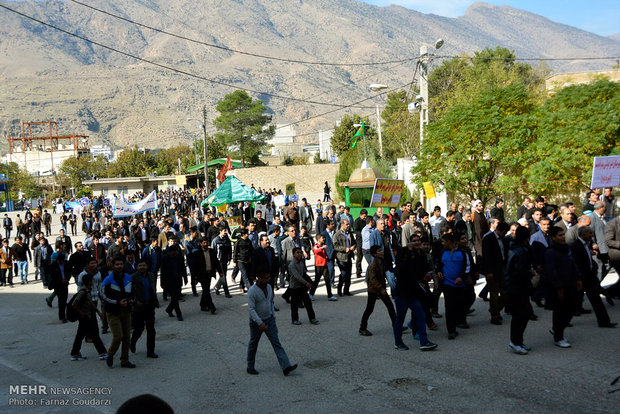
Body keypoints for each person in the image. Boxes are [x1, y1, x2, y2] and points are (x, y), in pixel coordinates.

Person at [246, 272, 298, 376]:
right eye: (265, 278)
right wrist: (260, 322)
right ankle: (250, 366)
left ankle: (286, 367)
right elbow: (251, 309)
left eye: (268, 278)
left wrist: (273, 316)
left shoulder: (269, 287)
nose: (267, 280)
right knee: (253, 344)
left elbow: (271, 302)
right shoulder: (252, 291)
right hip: (257, 323)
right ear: (259, 278)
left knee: (276, 343)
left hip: (269, 320)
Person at [392, 240, 438, 351]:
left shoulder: (414, 262)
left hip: (412, 295)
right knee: (400, 319)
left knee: (421, 315)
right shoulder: (401, 265)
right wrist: (408, 251)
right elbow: (403, 271)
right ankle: (398, 342)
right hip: (402, 296)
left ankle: (424, 341)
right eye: (411, 255)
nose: (413, 256)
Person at [569, 226, 616, 328]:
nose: (591, 235)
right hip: (581, 278)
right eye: (589, 233)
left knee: (597, 300)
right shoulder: (575, 246)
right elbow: (575, 263)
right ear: (583, 234)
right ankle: (561, 323)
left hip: (590, 277)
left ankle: (604, 322)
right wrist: (578, 278)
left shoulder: (586, 244)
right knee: (574, 301)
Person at [544, 226, 582, 348]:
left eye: (563, 234)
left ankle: (557, 329)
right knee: (559, 311)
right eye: (560, 235)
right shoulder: (550, 252)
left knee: (572, 308)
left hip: (570, 283)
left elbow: (573, 263)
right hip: (558, 286)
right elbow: (551, 271)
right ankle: (558, 337)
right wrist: (558, 287)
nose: (563, 237)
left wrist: (578, 278)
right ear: (553, 237)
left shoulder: (566, 249)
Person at [101, 256, 136, 367]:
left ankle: (124, 360)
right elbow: (103, 296)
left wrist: (130, 301)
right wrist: (117, 302)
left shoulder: (129, 278)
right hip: (113, 312)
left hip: (126, 311)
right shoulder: (108, 279)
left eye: (121, 264)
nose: (119, 266)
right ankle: (110, 354)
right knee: (118, 336)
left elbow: (133, 292)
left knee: (126, 337)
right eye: (117, 264)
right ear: (113, 265)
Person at [504, 226, 534, 355]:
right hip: (517, 287)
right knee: (520, 314)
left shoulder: (516, 248)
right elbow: (519, 270)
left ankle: (518, 340)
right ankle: (515, 341)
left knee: (524, 313)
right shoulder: (520, 251)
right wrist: (530, 272)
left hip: (517, 286)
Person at [359, 246, 396, 337]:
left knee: (390, 306)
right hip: (374, 289)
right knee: (369, 309)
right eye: (379, 251)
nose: (382, 252)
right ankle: (362, 328)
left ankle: (396, 325)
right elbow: (373, 280)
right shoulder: (373, 265)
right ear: (375, 254)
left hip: (380, 287)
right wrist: (382, 290)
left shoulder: (382, 261)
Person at [70, 273, 107, 361]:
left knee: (80, 335)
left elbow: (90, 303)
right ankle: (102, 353)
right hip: (86, 317)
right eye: (92, 280)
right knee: (94, 334)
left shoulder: (87, 291)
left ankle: (75, 353)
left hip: (87, 316)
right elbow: (74, 304)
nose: (93, 282)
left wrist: (98, 312)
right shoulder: (83, 292)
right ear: (89, 282)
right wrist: (81, 313)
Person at [436, 233, 467, 340]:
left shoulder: (462, 252)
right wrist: (439, 271)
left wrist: (462, 277)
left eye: (444, 241)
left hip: (460, 285)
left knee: (459, 305)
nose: (442, 244)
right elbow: (439, 265)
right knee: (449, 307)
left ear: (449, 242)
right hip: (447, 284)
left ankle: (459, 321)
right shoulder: (442, 252)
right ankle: (451, 330)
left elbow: (467, 267)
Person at [130, 259, 160, 358]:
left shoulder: (151, 275)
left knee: (151, 329)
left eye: (144, 265)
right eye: (140, 266)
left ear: (147, 266)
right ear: (137, 267)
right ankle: (133, 342)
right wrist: (135, 302)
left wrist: (155, 301)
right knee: (139, 329)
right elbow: (130, 292)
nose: (142, 267)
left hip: (150, 305)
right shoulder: (133, 277)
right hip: (139, 306)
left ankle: (150, 351)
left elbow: (153, 288)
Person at [288, 248, 319, 325]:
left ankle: (312, 318)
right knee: (294, 305)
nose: (299, 254)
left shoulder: (301, 263)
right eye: (297, 253)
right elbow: (297, 276)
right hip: (294, 287)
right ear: (293, 254)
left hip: (302, 286)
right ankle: (294, 319)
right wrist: (306, 283)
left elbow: (304, 274)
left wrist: (311, 281)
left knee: (308, 303)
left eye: (300, 253)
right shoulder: (292, 265)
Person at [161, 240, 186, 321]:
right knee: (175, 298)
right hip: (169, 281)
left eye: (175, 252)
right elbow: (163, 272)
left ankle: (169, 309)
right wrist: (163, 283)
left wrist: (185, 278)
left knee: (176, 296)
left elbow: (183, 268)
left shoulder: (179, 257)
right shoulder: (165, 259)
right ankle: (179, 314)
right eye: (172, 252)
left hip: (178, 280)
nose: (174, 253)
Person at [195, 238, 222, 314]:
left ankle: (202, 304)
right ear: (201, 244)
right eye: (204, 243)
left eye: (206, 243)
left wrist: (220, 272)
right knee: (206, 290)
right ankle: (211, 306)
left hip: (209, 273)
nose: (206, 244)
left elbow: (216, 262)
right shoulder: (198, 253)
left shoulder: (212, 252)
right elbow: (195, 266)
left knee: (206, 290)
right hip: (202, 274)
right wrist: (195, 276)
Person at [310, 234, 337, 301]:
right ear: (318, 239)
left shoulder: (322, 246)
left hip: (325, 265)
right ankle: (311, 294)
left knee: (327, 281)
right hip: (318, 266)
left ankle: (330, 295)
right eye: (322, 238)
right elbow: (315, 250)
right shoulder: (316, 246)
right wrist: (322, 248)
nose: (324, 239)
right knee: (316, 281)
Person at [333, 219, 355, 297]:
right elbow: (335, 246)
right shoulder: (337, 234)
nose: (348, 226)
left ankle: (346, 290)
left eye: (348, 224)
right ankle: (339, 289)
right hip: (341, 257)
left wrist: (353, 247)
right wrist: (344, 249)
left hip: (349, 256)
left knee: (349, 274)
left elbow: (354, 242)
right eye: (346, 224)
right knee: (343, 273)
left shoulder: (349, 233)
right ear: (342, 225)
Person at [211, 227, 233, 298]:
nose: (226, 232)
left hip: (225, 260)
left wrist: (229, 258)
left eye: (226, 231)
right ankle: (226, 292)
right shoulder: (215, 240)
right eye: (224, 231)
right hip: (218, 261)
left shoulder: (227, 239)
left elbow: (229, 249)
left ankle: (216, 287)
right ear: (220, 231)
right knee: (223, 276)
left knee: (223, 276)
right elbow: (212, 252)